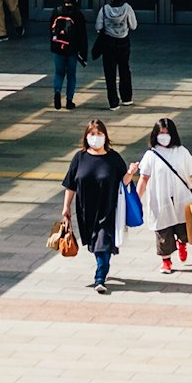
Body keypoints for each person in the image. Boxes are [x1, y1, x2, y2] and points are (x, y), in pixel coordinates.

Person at [61, 119, 128, 293]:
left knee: (102, 243)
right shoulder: (80, 158)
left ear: (105, 136)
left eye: (99, 134)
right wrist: (66, 207)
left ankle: (100, 277)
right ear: (86, 136)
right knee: (94, 245)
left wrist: (131, 173)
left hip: (108, 209)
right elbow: (71, 185)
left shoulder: (113, 158)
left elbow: (124, 182)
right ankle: (103, 265)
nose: (95, 137)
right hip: (86, 211)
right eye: (92, 134)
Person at [133, 117, 192, 275]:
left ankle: (182, 243)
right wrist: (136, 199)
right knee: (163, 231)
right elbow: (144, 178)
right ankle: (166, 261)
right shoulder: (151, 155)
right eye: (161, 133)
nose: (164, 136)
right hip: (160, 199)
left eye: (167, 133)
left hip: (181, 198)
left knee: (184, 229)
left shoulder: (181, 152)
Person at [95, 0, 138, 109]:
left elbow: (98, 27)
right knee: (124, 70)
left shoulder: (104, 9)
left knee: (110, 73)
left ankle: (113, 102)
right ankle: (126, 98)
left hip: (108, 43)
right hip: (123, 42)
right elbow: (134, 26)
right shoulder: (127, 8)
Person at [49, 0, 88, 110]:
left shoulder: (57, 11)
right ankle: (69, 101)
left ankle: (57, 92)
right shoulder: (77, 14)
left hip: (57, 47)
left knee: (59, 73)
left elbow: (51, 30)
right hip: (72, 49)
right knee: (71, 75)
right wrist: (83, 53)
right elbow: (82, 36)